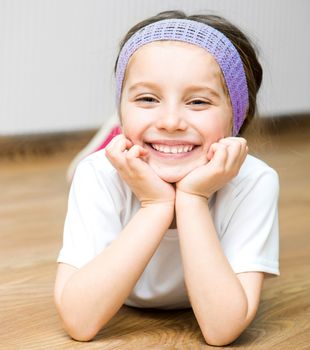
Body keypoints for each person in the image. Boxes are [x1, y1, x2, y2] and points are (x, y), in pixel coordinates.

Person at [54, 10, 279, 346]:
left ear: (238, 114)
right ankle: (113, 134)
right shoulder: (98, 174)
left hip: (167, 149)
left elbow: (221, 330)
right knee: (80, 170)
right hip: (114, 159)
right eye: (148, 98)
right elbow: (79, 321)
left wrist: (192, 198)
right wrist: (156, 204)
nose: (171, 120)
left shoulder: (256, 181)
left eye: (198, 101)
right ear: (122, 105)